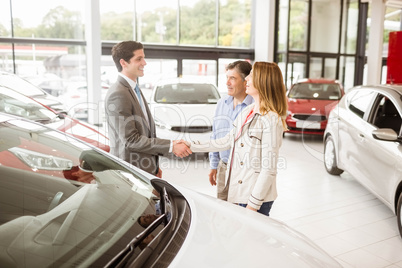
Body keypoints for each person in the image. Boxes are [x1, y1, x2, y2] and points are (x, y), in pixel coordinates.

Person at [188, 62, 288, 216]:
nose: (247, 78)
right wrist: (189, 145)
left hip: (255, 198)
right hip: (240, 192)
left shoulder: (271, 119)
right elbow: (225, 141)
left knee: (251, 239)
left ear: (263, 81)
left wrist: (252, 206)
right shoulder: (247, 111)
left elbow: (269, 169)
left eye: (251, 75)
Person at [105, 41, 192, 177]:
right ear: (123, 63)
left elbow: (146, 134)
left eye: (143, 58)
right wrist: (171, 146)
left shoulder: (134, 89)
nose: (144, 63)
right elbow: (131, 140)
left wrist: (154, 167)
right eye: (139, 59)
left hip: (145, 169)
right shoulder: (118, 94)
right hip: (131, 173)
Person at [209, 60, 253, 201]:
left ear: (246, 81)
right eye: (226, 78)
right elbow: (215, 135)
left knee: (241, 214)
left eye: (232, 78)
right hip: (223, 167)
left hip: (245, 172)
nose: (227, 83)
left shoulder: (255, 106)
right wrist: (214, 165)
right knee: (222, 211)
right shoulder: (222, 103)